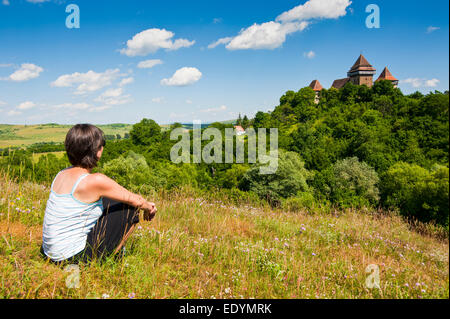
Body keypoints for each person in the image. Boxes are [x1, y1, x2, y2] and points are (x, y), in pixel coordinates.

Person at [41, 124, 157, 264]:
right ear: (97, 151)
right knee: (130, 208)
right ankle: (111, 258)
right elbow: (136, 201)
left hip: (49, 252)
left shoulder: (61, 174)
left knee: (110, 201)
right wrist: (149, 207)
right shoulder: (95, 180)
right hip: (72, 258)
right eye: (101, 145)